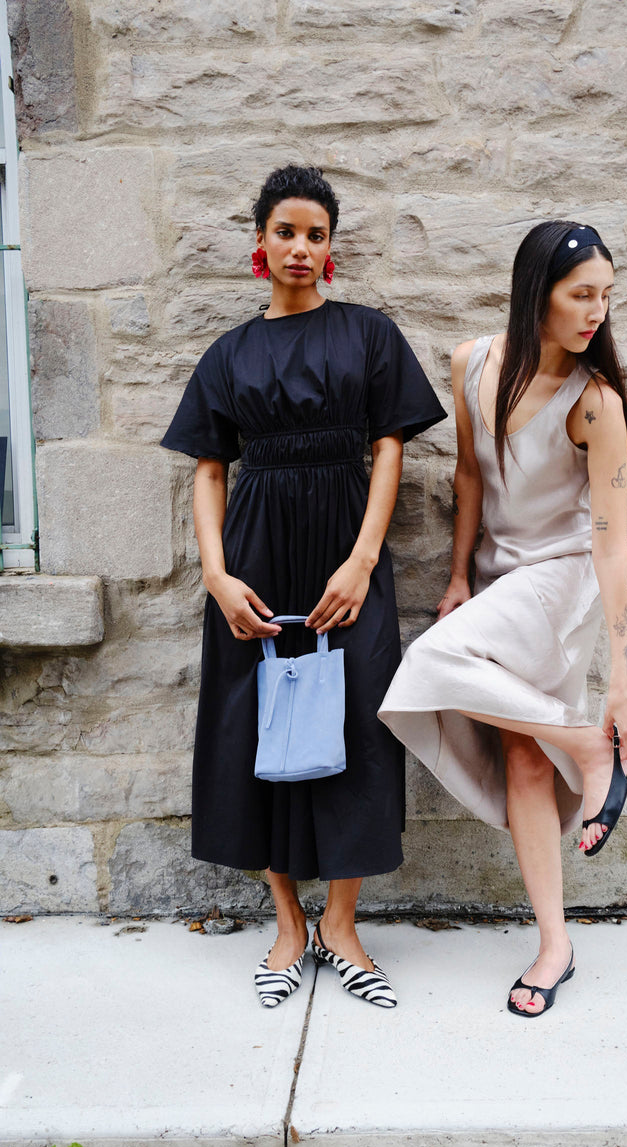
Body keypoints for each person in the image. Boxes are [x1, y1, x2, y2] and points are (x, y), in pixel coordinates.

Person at [161, 165, 445, 1010]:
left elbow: (391, 446)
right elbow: (210, 470)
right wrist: (216, 574)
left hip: (345, 554)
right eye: (286, 231)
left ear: (331, 249)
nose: (300, 247)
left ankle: (344, 926)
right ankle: (289, 924)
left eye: (316, 235)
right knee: (258, 730)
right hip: (254, 559)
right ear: (260, 242)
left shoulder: (368, 335)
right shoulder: (231, 353)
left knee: (357, 720)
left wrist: (363, 560)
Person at [379, 221, 627, 1017]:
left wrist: (624, 685)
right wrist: (460, 573)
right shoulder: (472, 363)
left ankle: (591, 747)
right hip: (498, 578)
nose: (597, 311)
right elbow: (469, 474)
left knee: (427, 665)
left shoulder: (596, 406)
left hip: (561, 582)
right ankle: (556, 944)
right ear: (538, 294)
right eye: (581, 295)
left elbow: (613, 546)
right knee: (525, 758)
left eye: (606, 295)